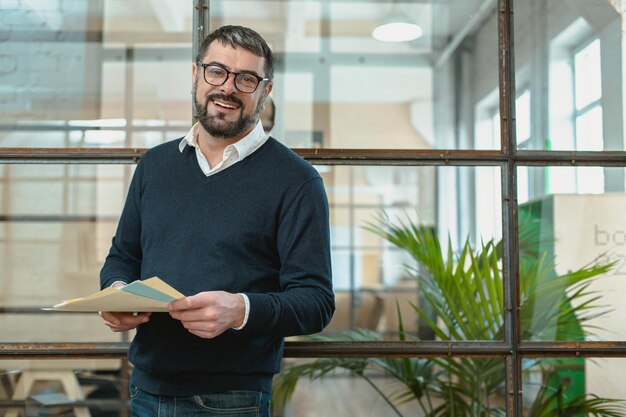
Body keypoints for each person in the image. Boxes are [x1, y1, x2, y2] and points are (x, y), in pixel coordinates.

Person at [98, 25, 335, 417]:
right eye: (217, 72)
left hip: (232, 399)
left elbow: (316, 302)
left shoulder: (297, 181)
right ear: (196, 75)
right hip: (144, 388)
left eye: (246, 79)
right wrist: (118, 293)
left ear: (265, 90)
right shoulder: (154, 166)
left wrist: (240, 310)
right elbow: (122, 255)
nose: (227, 87)